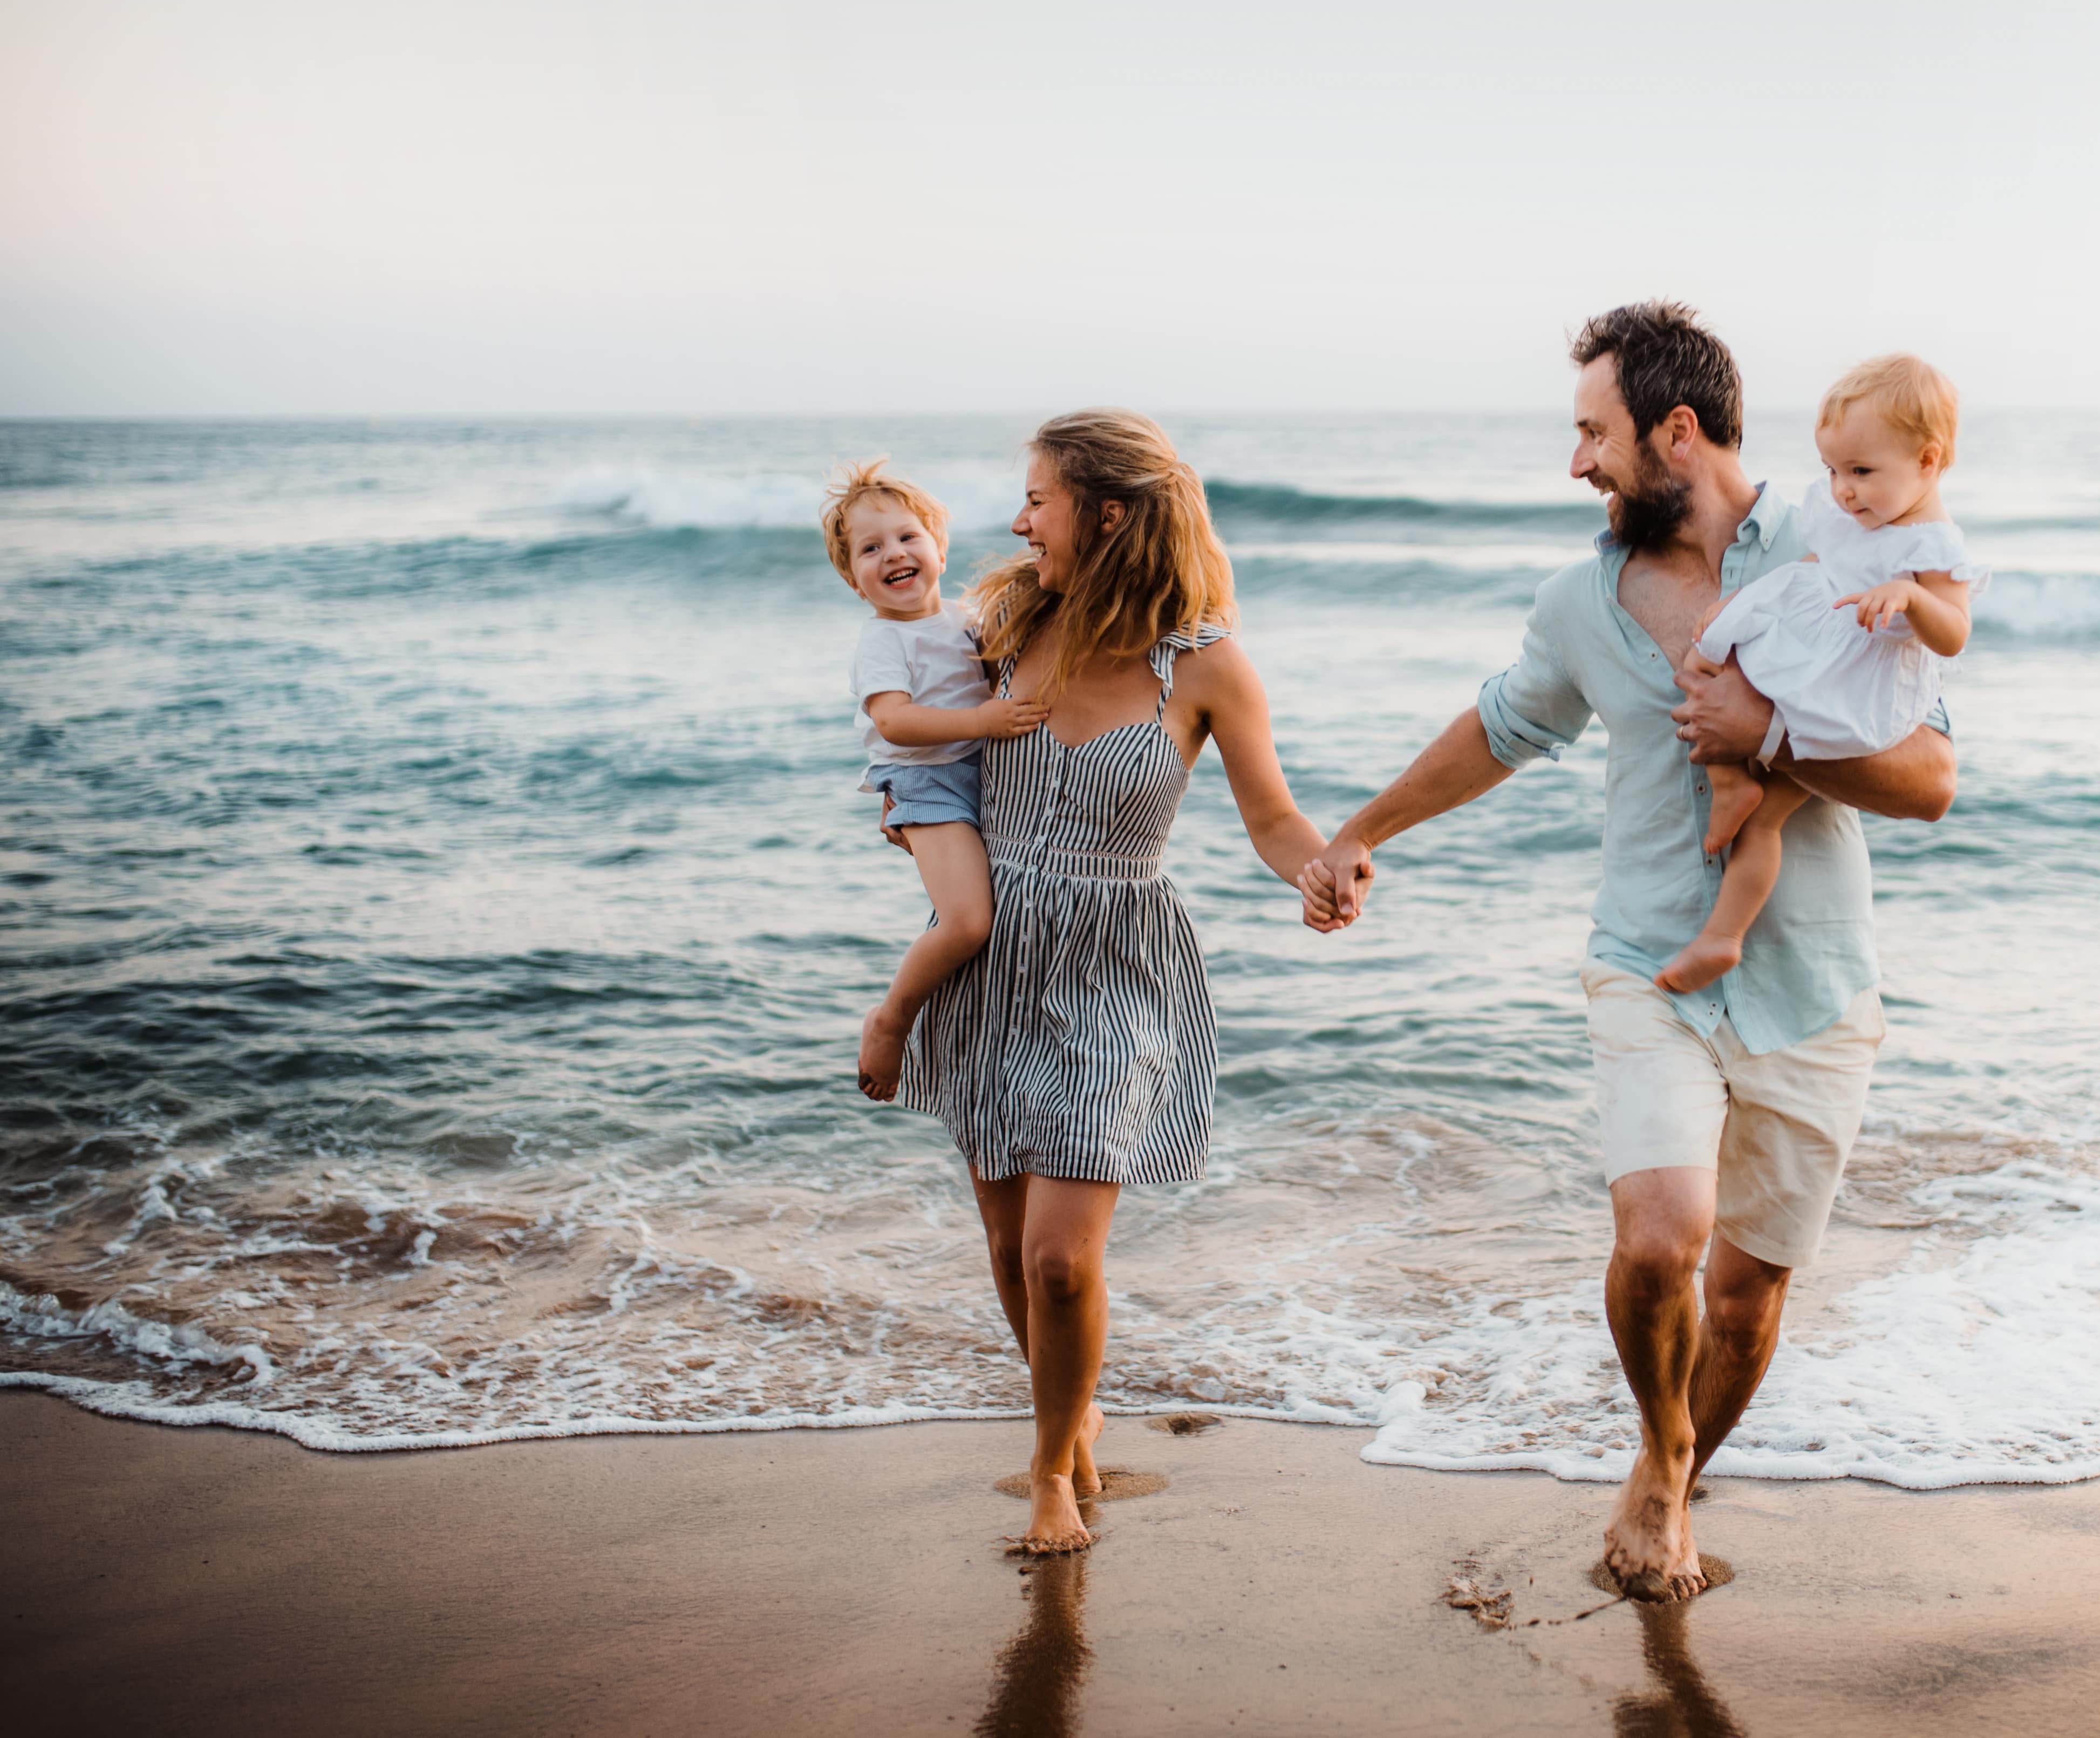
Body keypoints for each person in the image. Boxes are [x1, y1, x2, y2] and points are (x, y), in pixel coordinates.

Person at [1299, 303, 1958, 1601]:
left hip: (1816, 976)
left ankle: (1673, 1471)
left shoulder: (1842, 542)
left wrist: (1769, 738)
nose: (1578, 464)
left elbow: (1931, 779)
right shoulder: (1579, 600)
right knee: (1662, 1240)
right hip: (1649, 959)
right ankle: (1660, 1463)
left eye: (1594, 433)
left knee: (1750, 1296)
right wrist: (1360, 830)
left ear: (1676, 430)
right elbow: (1502, 727)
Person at [886, 410, 1333, 1555]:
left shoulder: (1207, 665)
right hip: (991, 956)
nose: (1019, 518)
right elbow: (912, 744)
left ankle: (1051, 1472)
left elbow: (1272, 818)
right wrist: (907, 818)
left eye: (1038, 497)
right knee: (1002, 1247)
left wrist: (1319, 865)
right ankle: (1069, 1419)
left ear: (1109, 511)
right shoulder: (1002, 629)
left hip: (1118, 959)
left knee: (1057, 1253)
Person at [1654, 355, 1986, 991]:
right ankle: (1727, 812)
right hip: (1817, 634)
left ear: (1927, 460)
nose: (1842, 490)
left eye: (1860, 472)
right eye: (1832, 470)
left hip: (1856, 684)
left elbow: (1955, 636)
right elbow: (1823, 559)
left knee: (1767, 810)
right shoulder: (1852, 512)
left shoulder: (1935, 546)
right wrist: (1758, 601)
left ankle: (1722, 930)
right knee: (1705, 655)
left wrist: (1913, 598)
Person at [824, 460, 1051, 1102]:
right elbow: (893, 720)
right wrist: (981, 718)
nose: (892, 555)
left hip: (981, 774)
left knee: (994, 920)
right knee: (968, 924)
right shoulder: (881, 642)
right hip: (928, 783)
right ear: (852, 579)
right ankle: (892, 1019)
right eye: (870, 549)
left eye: (906, 538)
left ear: (940, 550)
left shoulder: (966, 620)